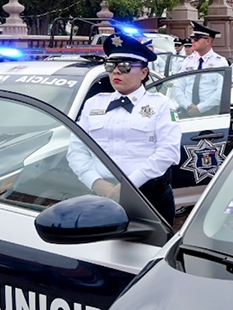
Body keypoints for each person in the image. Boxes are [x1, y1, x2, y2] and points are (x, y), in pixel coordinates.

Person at [68, 32, 180, 225]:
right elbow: (76, 150)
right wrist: (95, 182)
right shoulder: (94, 103)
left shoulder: (161, 105)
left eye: (125, 66)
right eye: (111, 66)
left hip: (148, 196)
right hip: (101, 193)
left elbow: (168, 152)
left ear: (144, 73)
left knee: (152, 251)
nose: (116, 72)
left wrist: (128, 186)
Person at [173, 22, 229, 117]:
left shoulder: (220, 62)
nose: (193, 41)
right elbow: (177, 87)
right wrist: (188, 106)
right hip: (187, 112)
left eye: (196, 39)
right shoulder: (188, 61)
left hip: (210, 113)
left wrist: (201, 108)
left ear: (207, 41)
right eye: (192, 39)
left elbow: (221, 91)